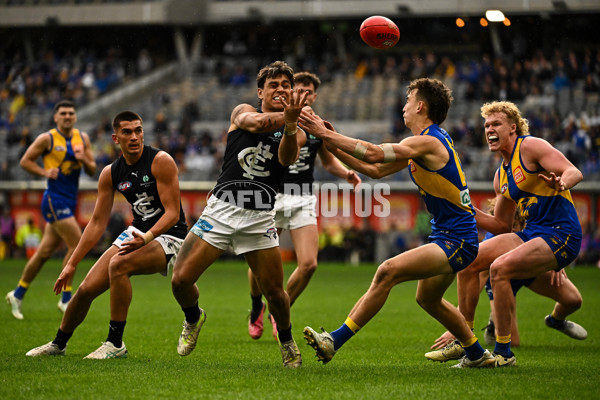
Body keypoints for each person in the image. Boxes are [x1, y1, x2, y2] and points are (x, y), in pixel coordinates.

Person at [299, 77, 495, 368]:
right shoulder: (423, 145)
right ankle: (477, 355)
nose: (403, 107)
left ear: (420, 106)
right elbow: (373, 170)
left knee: (386, 271)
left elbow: (375, 153)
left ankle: (333, 341)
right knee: (427, 300)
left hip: (458, 240)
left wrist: (324, 133)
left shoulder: (428, 141)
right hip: (450, 236)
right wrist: (330, 140)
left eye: (407, 101)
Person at [170, 61, 308, 368]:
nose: (281, 89)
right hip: (221, 210)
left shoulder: (295, 130)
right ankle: (193, 318)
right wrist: (289, 117)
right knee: (180, 280)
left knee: (275, 293)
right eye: (274, 85)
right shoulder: (243, 111)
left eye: (287, 85)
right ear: (261, 92)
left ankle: (286, 340)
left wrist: (290, 125)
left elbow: (286, 158)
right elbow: (256, 125)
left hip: (259, 217)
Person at [25, 111, 188, 359]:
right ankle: (58, 345)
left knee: (119, 265)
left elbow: (173, 214)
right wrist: (71, 263)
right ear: (115, 138)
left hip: (170, 234)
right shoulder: (110, 173)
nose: (134, 137)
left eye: (138, 130)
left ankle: (115, 343)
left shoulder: (160, 160)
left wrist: (147, 237)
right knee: (85, 289)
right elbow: (97, 222)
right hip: (138, 231)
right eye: (127, 132)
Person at [451, 101, 583, 367]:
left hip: (561, 233)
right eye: (486, 125)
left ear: (513, 127)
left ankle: (503, 354)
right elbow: (501, 224)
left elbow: (574, 171)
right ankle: (463, 340)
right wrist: (465, 208)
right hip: (533, 235)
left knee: (500, 269)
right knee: (469, 259)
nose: (489, 128)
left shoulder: (531, 146)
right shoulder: (501, 176)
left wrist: (562, 182)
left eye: (496, 123)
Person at [247, 71, 361, 340]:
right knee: (258, 265)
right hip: (271, 196)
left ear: (314, 95)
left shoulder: (315, 125)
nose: (304, 95)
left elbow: (327, 160)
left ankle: (279, 309)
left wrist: (345, 172)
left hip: (302, 197)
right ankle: (255, 307)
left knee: (309, 264)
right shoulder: (274, 118)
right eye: (299, 89)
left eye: (309, 92)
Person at [427, 202, 586, 359]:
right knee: (513, 341)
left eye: (514, 225)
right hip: (501, 280)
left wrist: (556, 261)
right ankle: (493, 325)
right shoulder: (493, 243)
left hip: (529, 272)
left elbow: (550, 243)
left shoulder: (528, 230)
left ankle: (555, 320)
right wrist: (458, 324)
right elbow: (472, 286)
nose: (510, 230)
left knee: (574, 300)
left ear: (522, 221)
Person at [6, 100, 96, 320]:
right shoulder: (47, 138)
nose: (67, 116)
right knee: (77, 244)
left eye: (71, 113)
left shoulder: (82, 138)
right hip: (54, 200)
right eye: (63, 113)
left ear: (75, 117)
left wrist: (83, 157)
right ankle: (66, 299)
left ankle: (17, 294)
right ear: (55, 117)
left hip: (69, 200)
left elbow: (93, 170)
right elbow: (25, 161)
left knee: (44, 253)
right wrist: (44, 172)